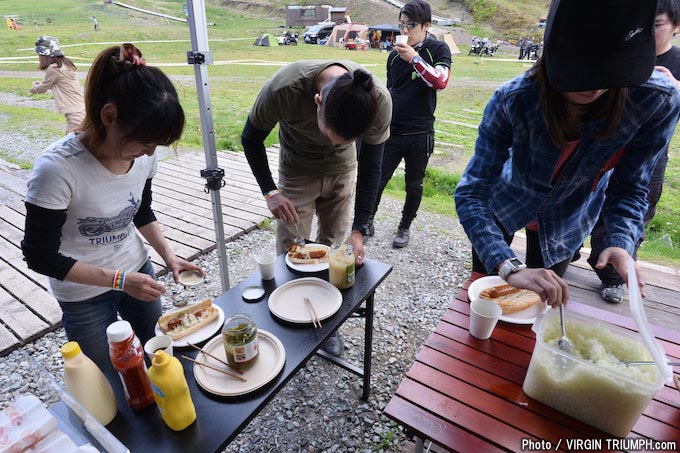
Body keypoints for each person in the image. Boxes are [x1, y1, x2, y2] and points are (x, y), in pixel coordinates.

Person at [454, 0, 680, 308]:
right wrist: (506, 265)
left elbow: (631, 188)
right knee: (484, 299)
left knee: (542, 306)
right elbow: (472, 193)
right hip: (507, 201)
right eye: (582, 67)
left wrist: (621, 241)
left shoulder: (657, 100)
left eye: (610, 69)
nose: (596, 84)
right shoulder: (513, 99)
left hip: (567, 219)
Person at [21, 43, 203, 372]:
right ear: (109, 116)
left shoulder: (143, 158)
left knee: (157, 352)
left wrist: (169, 256)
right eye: (146, 143)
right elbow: (39, 255)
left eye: (156, 145)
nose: (150, 153)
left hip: (136, 271)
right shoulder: (57, 170)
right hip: (83, 293)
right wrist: (121, 281)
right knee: (106, 373)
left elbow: (142, 212)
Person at [241, 61, 392, 356]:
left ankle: (325, 326)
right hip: (297, 170)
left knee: (335, 251)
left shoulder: (377, 100)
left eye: (343, 141)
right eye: (328, 135)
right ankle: (288, 325)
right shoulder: (283, 88)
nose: (331, 144)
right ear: (317, 101)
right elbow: (251, 137)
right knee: (290, 252)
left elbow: (374, 166)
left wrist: (360, 229)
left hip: (342, 171)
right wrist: (270, 191)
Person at [587, 0, 680, 303]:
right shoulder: (622, 53)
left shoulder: (676, 63)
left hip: (649, 154)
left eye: (656, 25)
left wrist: (674, 88)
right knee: (586, 197)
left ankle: (613, 277)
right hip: (606, 144)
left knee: (635, 206)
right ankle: (569, 245)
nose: (646, 32)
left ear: (676, 27)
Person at [365, 0, 450, 248]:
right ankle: (367, 220)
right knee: (378, 178)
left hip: (421, 131)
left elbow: (440, 81)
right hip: (393, 129)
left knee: (414, 183)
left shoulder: (438, 49)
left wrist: (414, 59)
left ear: (426, 25)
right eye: (401, 25)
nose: (405, 31)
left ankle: (404, 226)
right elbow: (392, 91)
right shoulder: (393, 57)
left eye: (411, 25)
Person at [29, 36, 86, 134]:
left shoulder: (54, 69)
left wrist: (34, 88)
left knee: (71, 145)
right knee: (74, 143)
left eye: (40, 55)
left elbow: (43, 88)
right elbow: (59, 84)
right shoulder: (65, 64)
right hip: (80, 108)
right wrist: (41, 84)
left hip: (74, 112)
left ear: (46, 55)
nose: (39, 58)